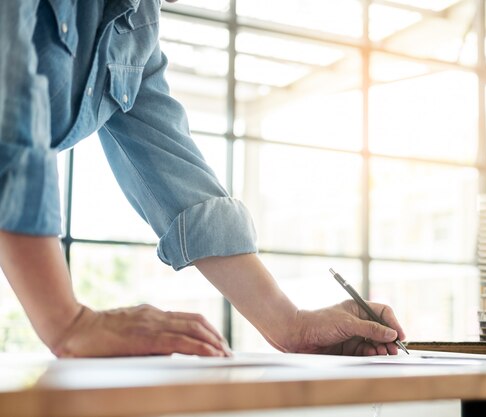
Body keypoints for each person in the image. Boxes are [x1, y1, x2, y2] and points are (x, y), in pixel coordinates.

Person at [0, 0, 406, 358]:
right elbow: (9, 114)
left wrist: (290, 324)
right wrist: (68, 323)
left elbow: (176, 172)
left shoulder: (137, 20)